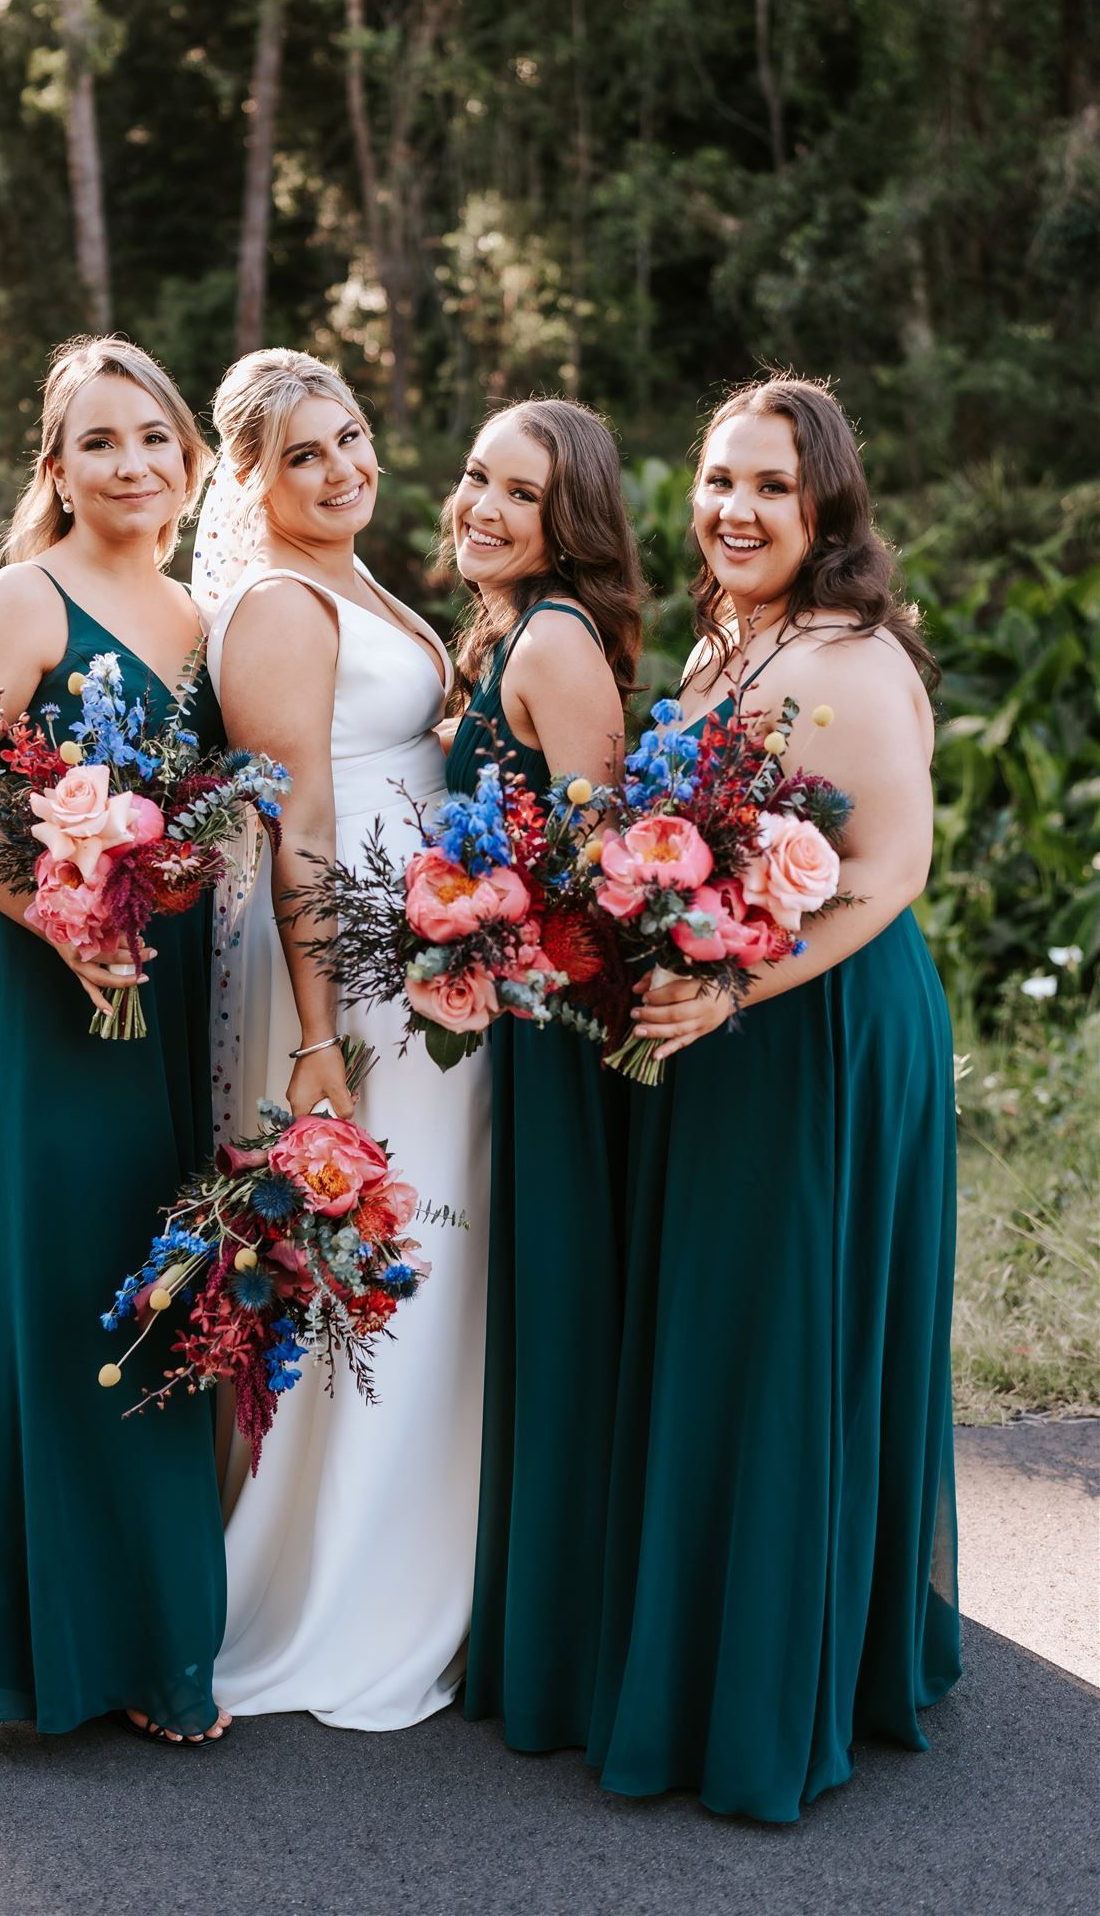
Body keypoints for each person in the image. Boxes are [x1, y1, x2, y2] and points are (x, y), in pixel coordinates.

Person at [587, 374, 960, 1820]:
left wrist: (740, 987)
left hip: (821, 1028)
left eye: (770, 489)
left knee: (790, 1335)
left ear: (825, 513)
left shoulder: (854, 662)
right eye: (719, 482)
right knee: (731, 1332)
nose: (735, 511)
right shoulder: (720, 643)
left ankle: (779, 1692)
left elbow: (884, 874)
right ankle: (715, 1647)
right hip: (723, 1019)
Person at [0, 336, 231, 1746]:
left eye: (153, 438)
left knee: (162, 1284)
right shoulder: (23, 600)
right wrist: (60, 915)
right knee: (67, 1288)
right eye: (99, 442)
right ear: (56, 469)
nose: (133, 464)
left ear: (191, 461)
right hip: (55, 992)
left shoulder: (202, 619)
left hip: (174, 991)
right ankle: (53, 1649)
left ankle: (153, 1638)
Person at [197, 347, 490, 1730]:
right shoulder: (276, 604)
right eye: (305, 455)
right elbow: (295, 828)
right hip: (351, 974)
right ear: (250, 482)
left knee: (428, 1240)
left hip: (417, 946)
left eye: (353, 436)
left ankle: (424, 1552)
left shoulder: (361, 583)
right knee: (379, 1249)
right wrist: (317, 1038)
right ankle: (339, 1584)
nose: (343, 469)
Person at [440, 400, 647, 1750]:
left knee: (556, 1309)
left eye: (520, 493)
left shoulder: (557, 640)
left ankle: (566, 1637)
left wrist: (479, 927)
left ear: (565, 518)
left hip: (554, 1029)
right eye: (472, 478)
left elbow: (609, 868)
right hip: (504, 1016)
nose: (484, 507)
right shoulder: (501, 633)